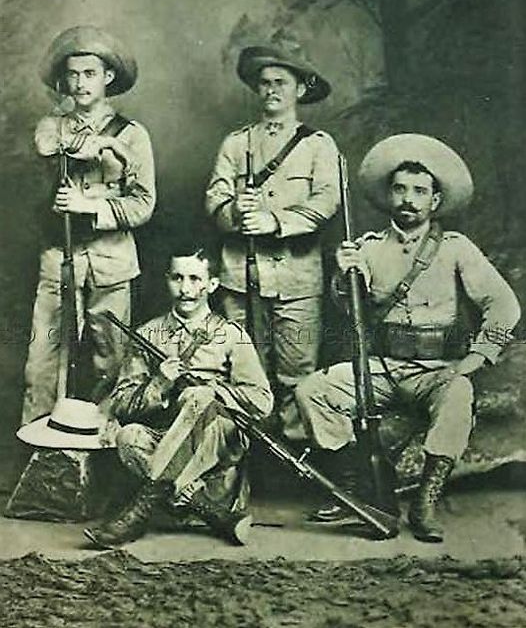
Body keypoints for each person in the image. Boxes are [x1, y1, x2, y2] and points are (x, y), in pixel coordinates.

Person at [295, 134, 521, 542]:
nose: (409, 200)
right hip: (381, 367)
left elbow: (504, 306)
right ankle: (354, 488)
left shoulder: (455, 248)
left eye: (420, 191)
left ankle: (425, 501)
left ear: (435, 200)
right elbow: (349, 309)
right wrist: (344, 275)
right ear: (388, 196)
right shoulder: (366, 248)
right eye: (400, 189)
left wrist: (475, 360)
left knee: (458, 395)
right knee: (312, 391)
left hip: (436, 370)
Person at [84, 246, 273, 549]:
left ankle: (137, 513)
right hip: (168, 432)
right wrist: (159, 383)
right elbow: (122, 402)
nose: (185, 289)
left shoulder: (231, 334)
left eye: (195, 279)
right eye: (177, 278)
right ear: (167, 280)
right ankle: (207, 508)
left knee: (197, 397)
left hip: (218, 438)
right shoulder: (148, 334)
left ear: (212, 284)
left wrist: (214, 391)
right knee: (128, 436)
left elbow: (262, 400)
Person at [205, 41, 340, 441]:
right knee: (242, 370)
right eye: (264, 83)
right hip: (240, 278)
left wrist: (275, 222)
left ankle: (295, 455)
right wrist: (235, 210)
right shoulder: (236, 143)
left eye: (281, 82)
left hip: (296, 279)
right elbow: (214, 198)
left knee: (298, 373)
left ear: (301, 89)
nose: (271, 90)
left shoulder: (318, 145)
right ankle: (245, 454)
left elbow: (327, 201)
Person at [22, 26, 156, 424]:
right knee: (43, 361)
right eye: (73, 75)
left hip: (111, 262)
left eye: (90, 74)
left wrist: (89, 206)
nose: (80, 83)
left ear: (108, 77)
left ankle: (103, 446)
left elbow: (143, 204)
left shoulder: (133, 135)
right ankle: (40, 446)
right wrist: (99, 145)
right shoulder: (53, 126)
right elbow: (47, 144)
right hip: (60, 259)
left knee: (111, 363)